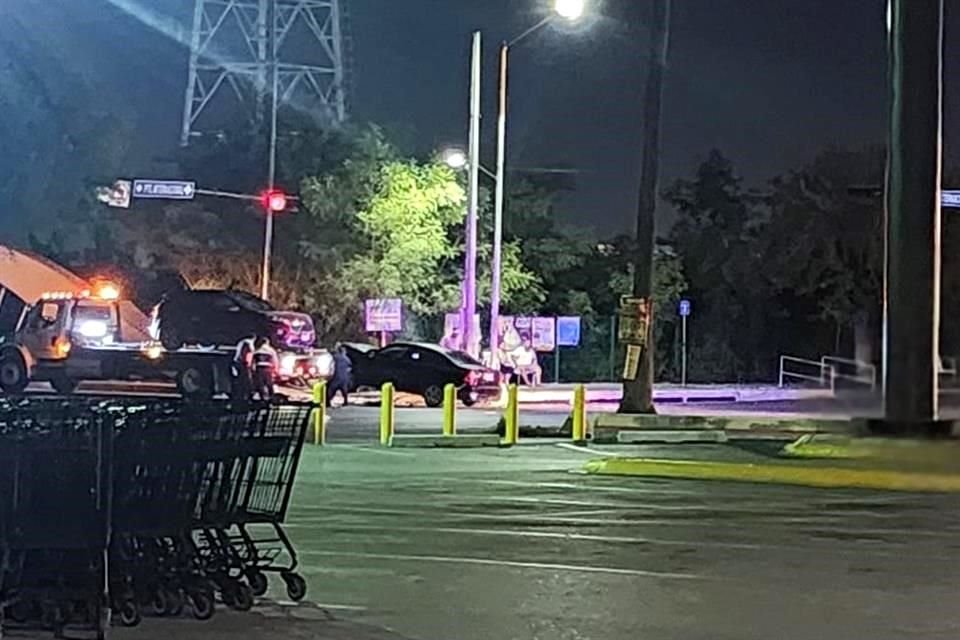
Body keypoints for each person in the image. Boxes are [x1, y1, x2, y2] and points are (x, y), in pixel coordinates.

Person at [251, 336, 279, 401]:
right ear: (267, 342)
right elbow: (275, 360)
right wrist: (276, 369)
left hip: (259, 368)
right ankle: (271, 397)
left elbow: (253, 361)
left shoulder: (257, 350)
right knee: (269, 383)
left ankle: (262, 397)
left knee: (260, 383)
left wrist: (252, 369)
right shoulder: (271, 350)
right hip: (268, 368)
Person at [232, 334, 256, 400]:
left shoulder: (241, 342)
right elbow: (247, 352)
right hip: (244, 364)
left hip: (238, 363)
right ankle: (247, 395)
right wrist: (247, 362)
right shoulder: (248, 342)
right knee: (246, 380)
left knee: (240, 380)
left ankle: (240, 395)